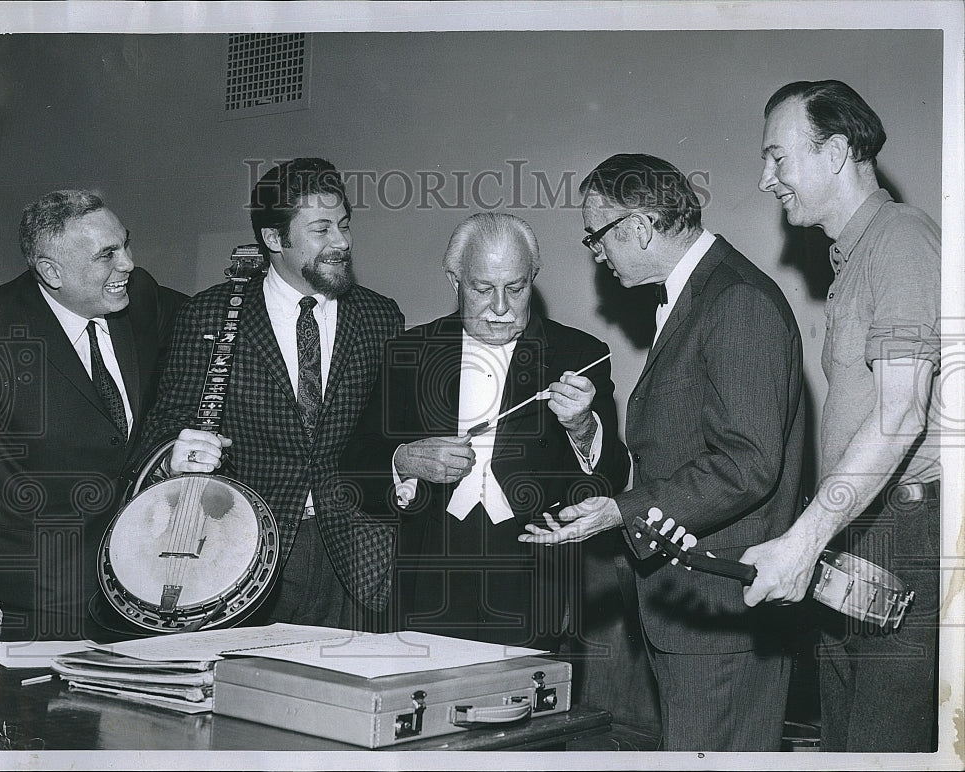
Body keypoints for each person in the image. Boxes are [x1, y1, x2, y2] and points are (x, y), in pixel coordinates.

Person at [520, 154, 806, 751]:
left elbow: (746, 464)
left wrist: (622, 511)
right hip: (691, 608)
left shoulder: (735, 301)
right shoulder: (696, 294)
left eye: (596, 237)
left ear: (641, 227)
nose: (596, 255)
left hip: (721, 613)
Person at [741, 80, 941, 753]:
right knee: (849, 746)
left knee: (882, 748)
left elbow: (902, 414)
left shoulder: (902, 240)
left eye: (777, 158)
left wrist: (802, 539)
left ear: (834, 153)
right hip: (859, 527)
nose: (765, 178)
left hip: (905, 532)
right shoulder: (852, 259)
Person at [135, 158, 404, 629]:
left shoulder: (380, 317)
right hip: (241, 553)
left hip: (357, 556)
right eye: (321, 229)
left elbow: (392, 434)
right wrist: (176, 454)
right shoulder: (211, 316)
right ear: (275, 240)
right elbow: (163, 428)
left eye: (343, 225)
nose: (341, 242)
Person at [341, 212, 629, 649]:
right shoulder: (409, 352)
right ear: (454, 280)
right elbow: (355, 462)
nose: (500, 307)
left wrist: (584, 427)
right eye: (482, 289)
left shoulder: (579, 353)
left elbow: (612, 475)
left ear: (533, 279)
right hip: (425, 571)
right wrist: (403, 461)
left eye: (515, 289)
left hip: (535, 577)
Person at [0, 189, 186, 640]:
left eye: (126, 243)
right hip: (33, 601)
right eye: (107, 254)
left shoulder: (142, 297)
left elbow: (209, 317)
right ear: (50, 272)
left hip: (137, 591)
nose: (129, 264)